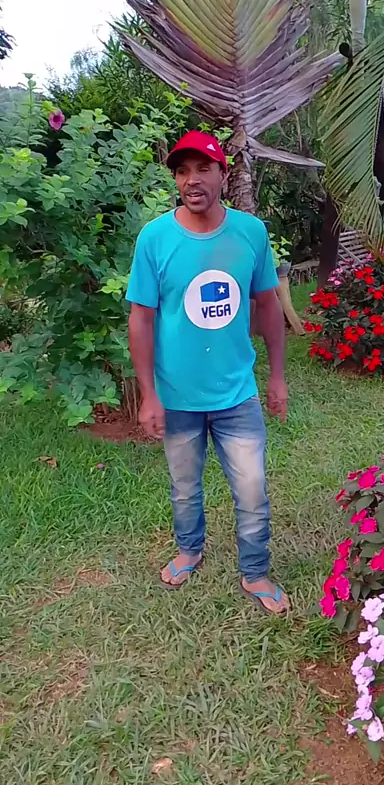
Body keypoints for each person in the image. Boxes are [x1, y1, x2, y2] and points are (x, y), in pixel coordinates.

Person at [126, 130, 289, 615]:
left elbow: (268, 305)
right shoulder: (155, 238)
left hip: (237, 392)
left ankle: (255, 572)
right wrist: (148, 394)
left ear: (223, 173)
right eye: (182, 171)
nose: (192, 180)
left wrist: (277, 377)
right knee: (184, 488)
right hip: (177, 395)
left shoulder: (250, 233)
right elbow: (141, 318)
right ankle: (189, 550)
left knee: (252, 491)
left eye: (203, 168)